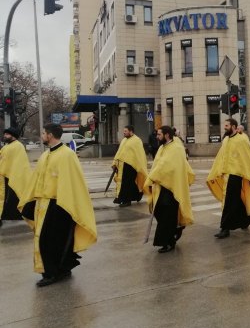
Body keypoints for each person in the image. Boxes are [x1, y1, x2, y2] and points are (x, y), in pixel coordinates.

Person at [18, 123, 97, 287]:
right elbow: (37, 179)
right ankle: (62, 268)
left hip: (59, 205)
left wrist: (63, 205)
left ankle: (52, 273)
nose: (42, 136)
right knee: (51, 240)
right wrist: (30, 200)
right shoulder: (45, 155)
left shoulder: (67, 155)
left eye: (43, 133)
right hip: (43, 204)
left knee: (50, 241)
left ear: (51, 135)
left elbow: (72, 183)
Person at [207, 118, 250, 239]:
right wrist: (218, 170)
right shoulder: (226, 139)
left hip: (236, 175)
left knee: (228, 201)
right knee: (235, 200)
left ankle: (225, 228)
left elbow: (247, 158)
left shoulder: (242, 140)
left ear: (233, 126)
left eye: (227, 126)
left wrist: (249, 174)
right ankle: (246, 219)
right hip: (227, 173)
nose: (225, 128)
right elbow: (221, 156)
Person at [143, 126, 195, 253]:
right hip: (161, 186)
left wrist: (153, 177)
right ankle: (175, 230)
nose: (157, 136)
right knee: (159, 212)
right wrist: (152, 179)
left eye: (159, 134)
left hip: (172, 188)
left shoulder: (176, 148)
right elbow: (158, 166)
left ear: (167, 135)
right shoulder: (162, 147)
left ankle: (168, 242)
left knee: (168, 215)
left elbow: (170, 168)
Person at [0, 128, 31, 227]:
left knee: (10, 198)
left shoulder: (14, 146)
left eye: (7, 134)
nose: (4, 136)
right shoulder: (13, 146)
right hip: (11, 175)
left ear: (13, 135)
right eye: (4, 134)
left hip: (11, 176)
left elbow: (4, 162)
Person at [112, 125, 148, 207]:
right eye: (124, 131)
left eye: (125, 131)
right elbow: (119, 152)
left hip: (132, 166)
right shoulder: (124, 140)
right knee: (127, 183)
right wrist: (115, 163)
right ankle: (138, 194)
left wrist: (139, 165)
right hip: (122, 165)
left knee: (127, 183)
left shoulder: (137, 140)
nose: (124, 132)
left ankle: (126, 200)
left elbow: (140, 154)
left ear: (131, 131)